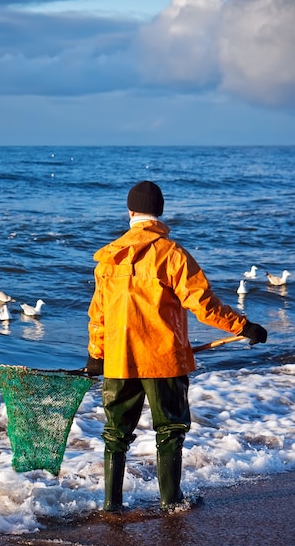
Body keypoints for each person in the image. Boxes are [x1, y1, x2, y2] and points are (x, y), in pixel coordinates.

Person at [86, 181, 267, 512]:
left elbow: (98, 314)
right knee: (169, 430)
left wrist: (96, 355)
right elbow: (203, 304)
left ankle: (111, 506)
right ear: (160, 212)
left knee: (115, 435)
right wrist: (243, 326)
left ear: (129, 212)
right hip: (162, 361)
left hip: (118, 360)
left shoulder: (108, 258)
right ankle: (171, 502)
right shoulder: (171, 254)